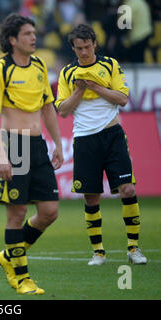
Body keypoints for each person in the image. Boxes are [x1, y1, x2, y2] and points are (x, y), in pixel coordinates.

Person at [0, 13, 63, 295]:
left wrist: (58, 143)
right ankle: (22, 277)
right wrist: (0, 156)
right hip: (12, 145)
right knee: (16, 214)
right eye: (27, 33)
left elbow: (48, 107)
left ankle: (8, 255)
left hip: (38, 145)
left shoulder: (40, 66)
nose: (34, 37)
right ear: (13, 40)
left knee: (49, 211)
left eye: (34, 33)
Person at [55, 24, 147, 265]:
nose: (84, 52)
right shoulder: (67, 73)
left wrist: (96, 87)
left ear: (95, 44)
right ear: (73, 48)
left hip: (112, 135)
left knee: (127, 189)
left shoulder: (110, 65)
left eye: (87, 47)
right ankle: (98, 252)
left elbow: (123, 99)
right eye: (78, 48)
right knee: (91, 197)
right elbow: (62, 110)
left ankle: (133, 248)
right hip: (84, 139)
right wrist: (79, 91)